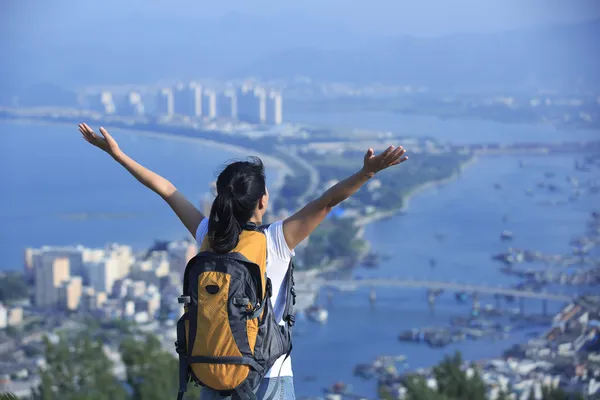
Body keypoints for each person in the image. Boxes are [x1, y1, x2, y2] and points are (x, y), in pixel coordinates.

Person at [78, 123, 408, 399]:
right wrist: (367, 172)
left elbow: (165, 189)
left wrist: (117, 155)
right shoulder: (275, 241)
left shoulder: (207, 234)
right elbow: (327, 202)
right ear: (262, 200)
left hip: (216, 372)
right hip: (270, 377)